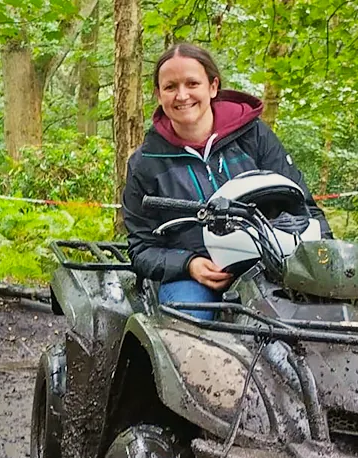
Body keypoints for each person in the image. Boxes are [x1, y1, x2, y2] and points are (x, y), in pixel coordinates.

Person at [122, 43, 330, 319]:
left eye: (192, 83)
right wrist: (189, 264)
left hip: (269, 264)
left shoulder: (254, 137)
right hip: (192, 280)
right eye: (170, 87)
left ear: (212, 86)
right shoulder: (145, 163)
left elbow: (303, 206)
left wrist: (327, 257)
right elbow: (141, 249)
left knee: (317, 321)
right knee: (190, 328)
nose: (182, 95)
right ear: (159, 94)